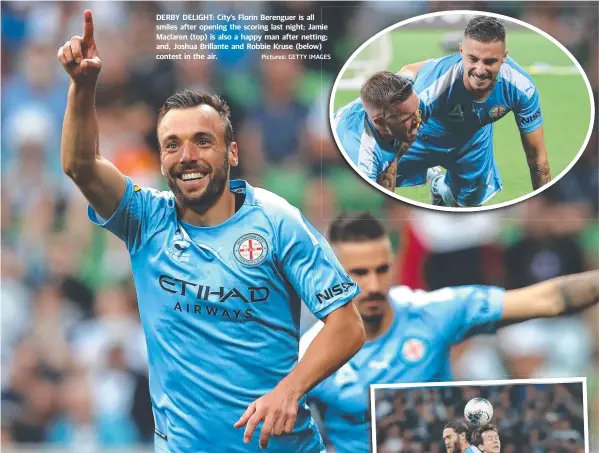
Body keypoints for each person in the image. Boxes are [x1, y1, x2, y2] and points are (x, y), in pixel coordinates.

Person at [57, 10, 366, 453]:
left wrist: (290, 389)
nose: (187, 155)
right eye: (172, 145)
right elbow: (79, 165)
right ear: (161, 160)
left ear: (232, 152)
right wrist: (82, 86)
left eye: (203, 141)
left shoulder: (277, 220)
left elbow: (347, 325)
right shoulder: (146, 219)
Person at [300, 212, 598, 453]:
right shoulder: (308, 356)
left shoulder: (432, 311)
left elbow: (549, 299)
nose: (375, 285)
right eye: (359, 273)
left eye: (382, 269)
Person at [397, 15, 551, 206]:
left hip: (473, 140)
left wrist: (545, 208)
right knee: (382, 169)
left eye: (489, 62)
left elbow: (537, 158)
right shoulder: (434, 88)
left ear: (504, 57)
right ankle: (434, 177)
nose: (480, 70)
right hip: (426, 132)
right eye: (473, 59)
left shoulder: (521, 87)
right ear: (461, 51)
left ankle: (440, 189)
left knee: (465, 208)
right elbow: (386, 146)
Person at [332, 71, 422, 191]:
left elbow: (412, 69)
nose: (418, 120)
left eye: (416, 112)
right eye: (407, 118)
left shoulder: (396, 91)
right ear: (379, 122)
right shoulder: (362, 157)